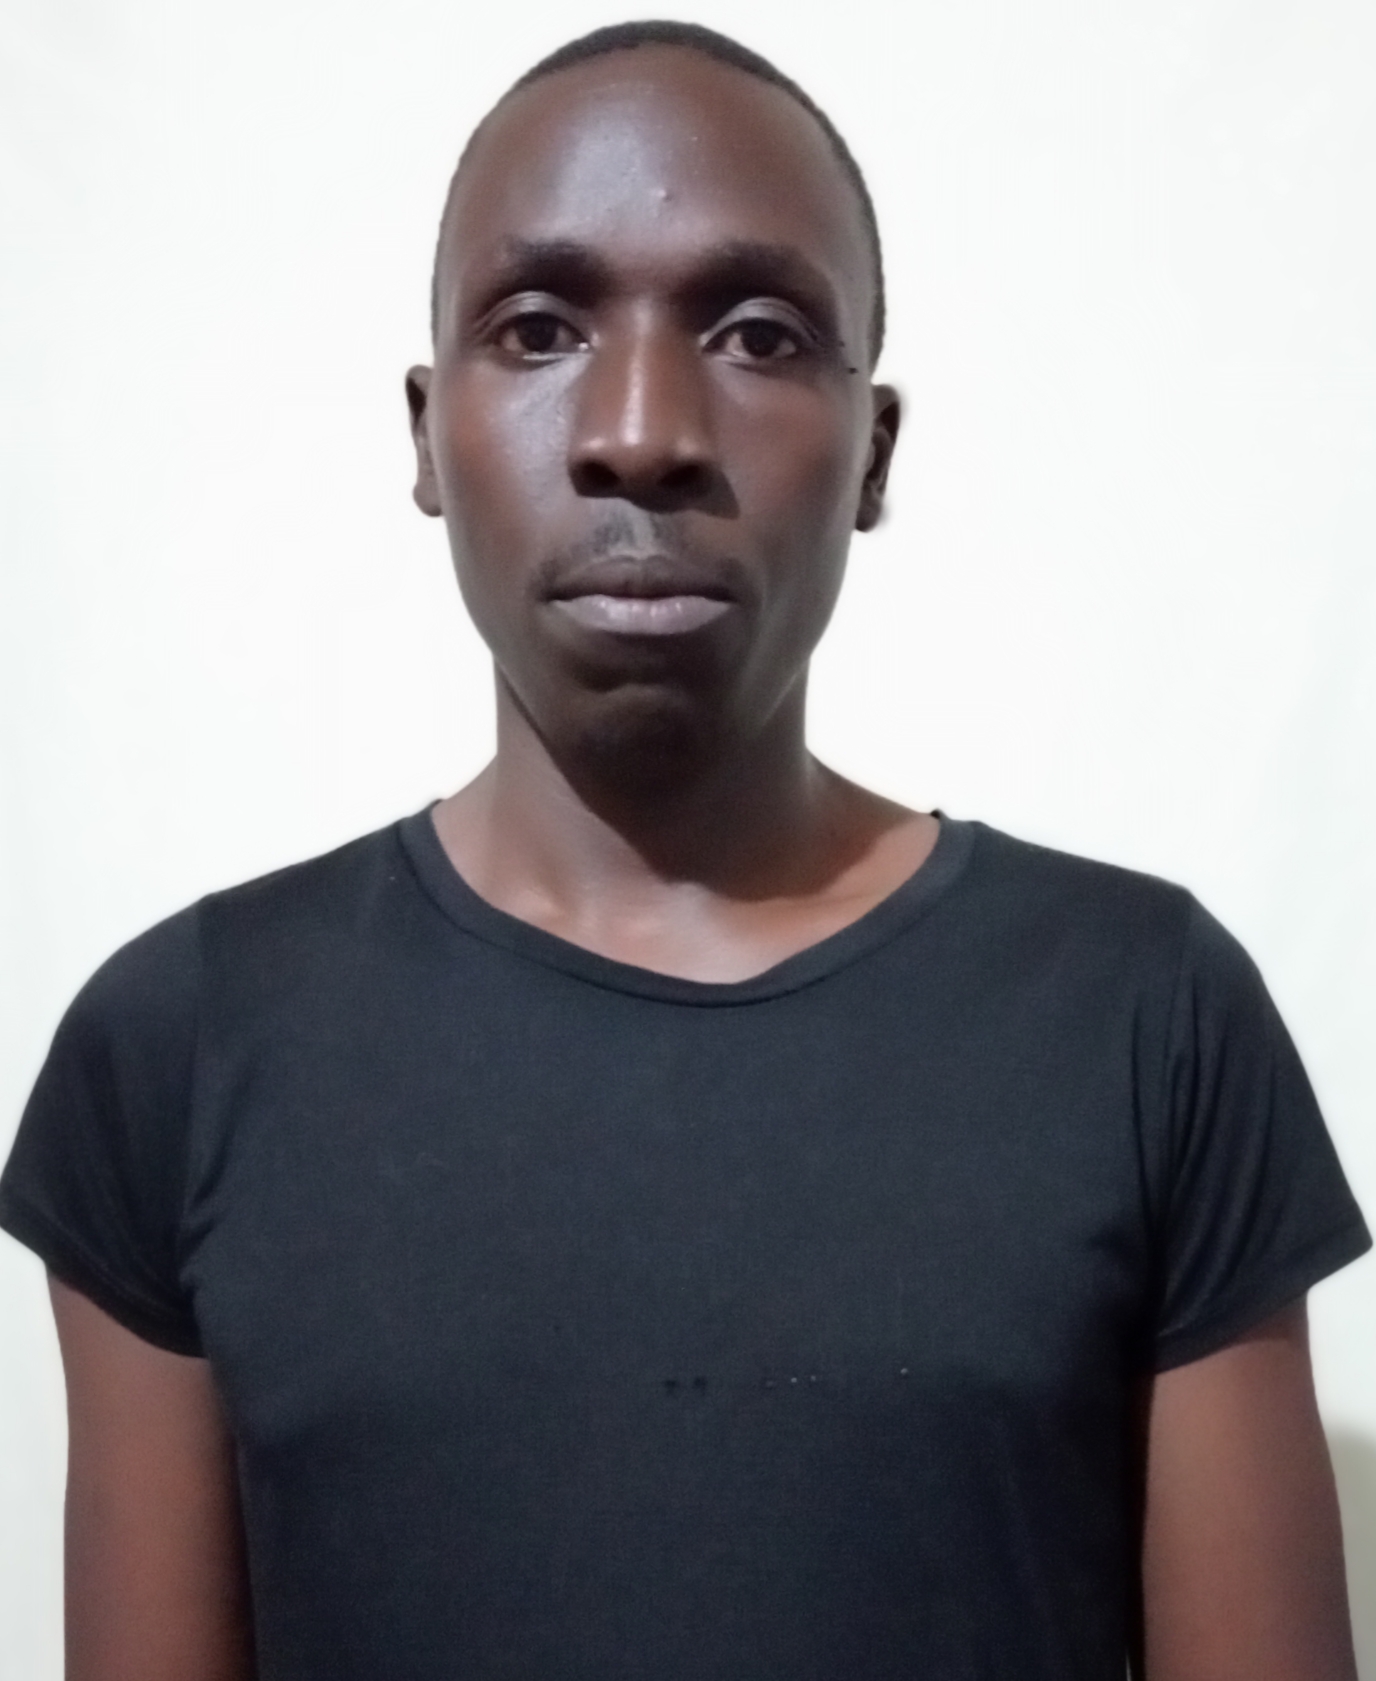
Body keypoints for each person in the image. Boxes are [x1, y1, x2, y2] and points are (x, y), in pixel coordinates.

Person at [0, 20, 1369, 1681]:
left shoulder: (1145, 1018)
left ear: (873, 453)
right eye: (538, 328)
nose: (641, 429)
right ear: (427, 435)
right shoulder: (181, 1050)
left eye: (757, 333)